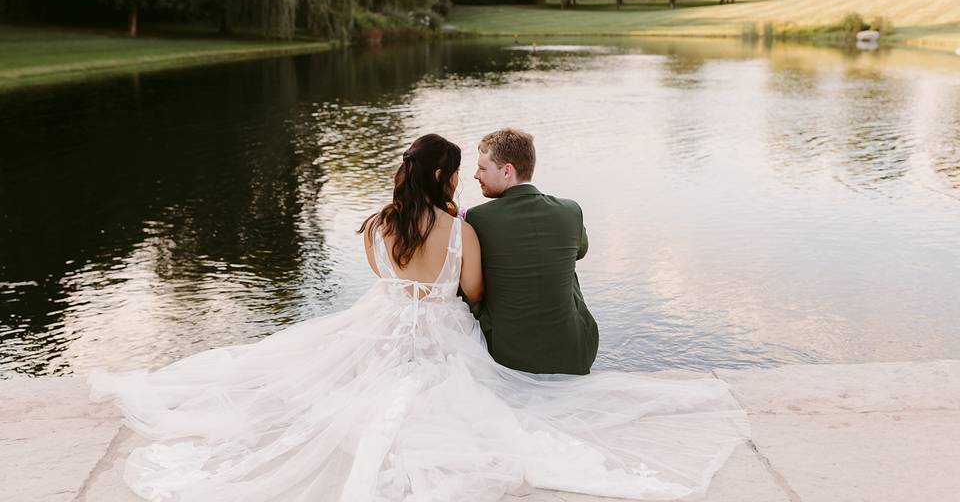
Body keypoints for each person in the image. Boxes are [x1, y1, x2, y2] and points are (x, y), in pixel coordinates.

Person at [90, 133, 749, 501]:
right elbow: (472, 291)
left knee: (337, 384)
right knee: (462, 402)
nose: (466, 181)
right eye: (460, 172)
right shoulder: (460, 227)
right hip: (439, 328)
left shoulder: (374, 224)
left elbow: (383, 282)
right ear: (445, 176)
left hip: (383, 320)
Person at [466, 128, 598, 374]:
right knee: (564, 268)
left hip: (507, 356)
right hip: (574, 352)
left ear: (507, 171)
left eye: (482, 168)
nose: (476, 175)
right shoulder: (571, 211)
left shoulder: (478, 218)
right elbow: (580, 251)